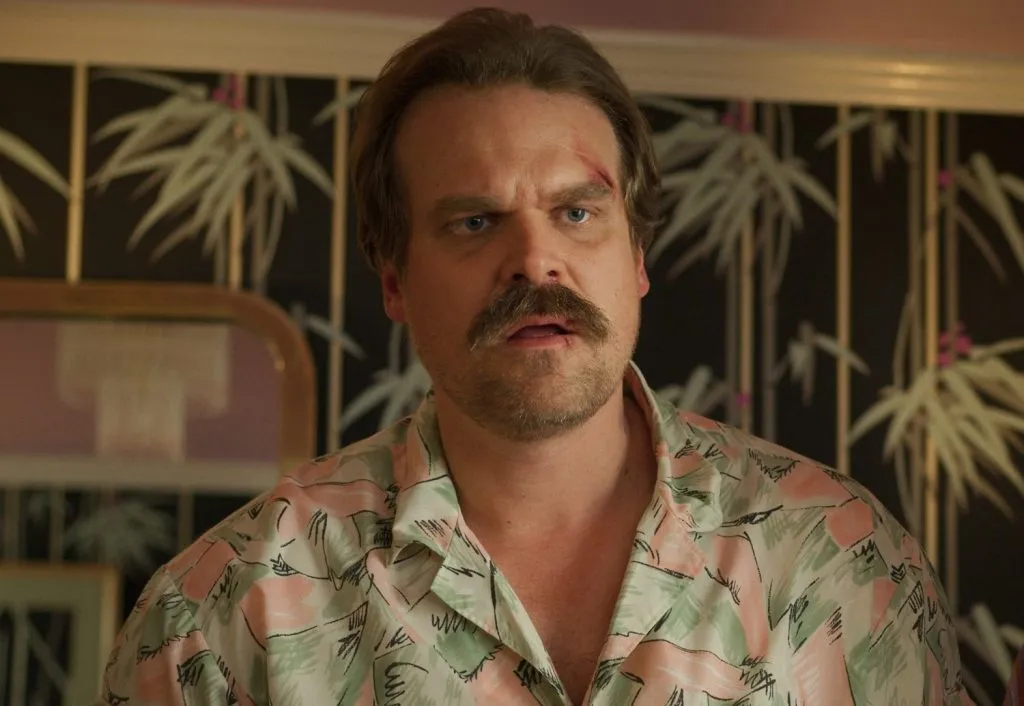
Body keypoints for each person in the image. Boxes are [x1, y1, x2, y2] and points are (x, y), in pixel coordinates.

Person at [96, 8, 975, 705]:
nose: (534, 260)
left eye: (577, 213)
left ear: (637, 260)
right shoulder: (219, 614)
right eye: (475, 221)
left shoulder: (844, 562)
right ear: (394, 279)